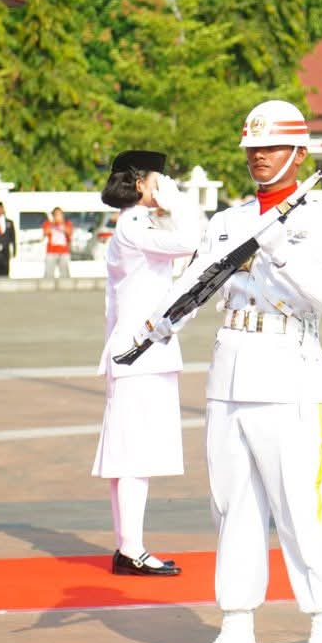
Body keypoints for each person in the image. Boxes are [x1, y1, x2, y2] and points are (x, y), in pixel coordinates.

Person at [161, 99, 322, 643]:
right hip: (228, 372)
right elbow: (193, 286)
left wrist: (278, 246)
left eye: (270, 148)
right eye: (252, 149)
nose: (259, 158)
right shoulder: (227, 219)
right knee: (231, 506)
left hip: (288, 373)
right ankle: (236, 631)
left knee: (299, 506)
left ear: (299, 154)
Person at [95, 151, 203, 576]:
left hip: (135, 348)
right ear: (140, 183)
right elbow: (191, 242)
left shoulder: (135, 226)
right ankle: (132, 548)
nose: (164, 186)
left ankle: (129, 545)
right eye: (159, 179)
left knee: (128, 453)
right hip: (140, 351)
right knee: (135, 454)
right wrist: (180, 203)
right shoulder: (135, 226)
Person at [42, 206, 74, 282]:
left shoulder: (67, 223)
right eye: (56, 214)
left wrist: (61, 224)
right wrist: (53, 223)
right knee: (49, 273)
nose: (58, 216)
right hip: (51, 251)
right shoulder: (48, 223)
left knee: (64, 273)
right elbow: (45, 232)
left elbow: (69, 232)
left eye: (59, 214)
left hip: (64, 251)